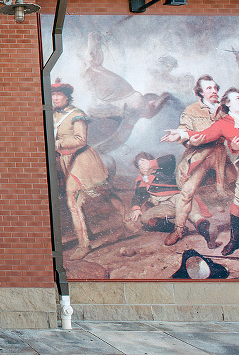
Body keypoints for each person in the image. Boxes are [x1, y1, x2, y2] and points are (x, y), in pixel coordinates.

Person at [52, 81, 132, 260]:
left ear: (67, 96)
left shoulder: (77, 115)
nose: (55, 98)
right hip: (66, 161)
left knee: (102, 193)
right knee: (75, 201)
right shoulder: (54, 115)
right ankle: (85, 241)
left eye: (58, 95)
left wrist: (56, 144)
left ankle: (124, 224)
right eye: (53, 95)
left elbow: (80, 140)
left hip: (83, 160)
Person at [160, 75, 235, 246]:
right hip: (199, 156)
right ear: (200, 92)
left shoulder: (226, 110)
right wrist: (187, 140)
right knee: (186, 192)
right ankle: (179, 230)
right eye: (209, 88)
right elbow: (183, 132)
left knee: (236, 187)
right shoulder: (192, 110)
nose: (214, 91)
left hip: (221, 155)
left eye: (215, 88)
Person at [130, 152, 216, 248]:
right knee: (146, 218)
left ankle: (209, 236)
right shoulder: (140, 181)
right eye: (140, 165)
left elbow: (171, 158)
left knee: (194, 216)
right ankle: (178, 229)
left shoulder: (163, 170)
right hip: (165, 205)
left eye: (144, 163)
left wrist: (150, 164)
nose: (143, 167)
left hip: (179, 198)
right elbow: (137, 195)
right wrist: (136, 208)